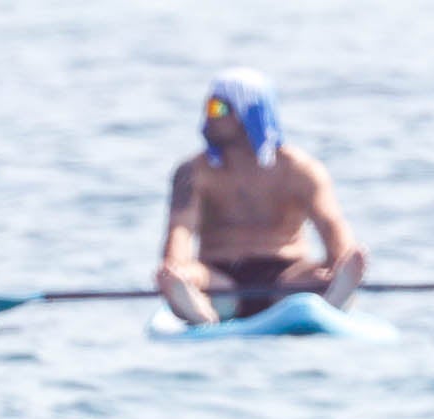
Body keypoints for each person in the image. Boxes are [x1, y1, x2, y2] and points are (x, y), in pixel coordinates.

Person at [155, 68, 368, 325]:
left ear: (249, 113)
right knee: (187, 276)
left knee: (324, 276)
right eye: (207, 107)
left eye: (218, 109)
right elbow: (180, 230)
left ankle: (333, 297)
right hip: (219, 279)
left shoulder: (300, 170)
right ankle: (201, 311)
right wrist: (175, 269)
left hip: (286, 278)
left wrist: (343, 264)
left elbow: (331, 224)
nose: (207, 117)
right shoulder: (194, 172)